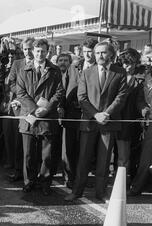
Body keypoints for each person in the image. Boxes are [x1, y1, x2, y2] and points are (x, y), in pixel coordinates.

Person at [65, 41, 129, 202]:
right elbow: (82, 98)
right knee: (83, 158)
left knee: (104, 160)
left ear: (111, 54)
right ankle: (77, 191)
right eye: (98, 53)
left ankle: (101, 193)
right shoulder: (86, 73)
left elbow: (121, 97)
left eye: (104, 52)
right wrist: (95, 115)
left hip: (109, 122)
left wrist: (106, 113)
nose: (100, 56)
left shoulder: (120, 72)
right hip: (89, 122)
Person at [16, 38, 65, 196]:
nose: (40, 54)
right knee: (28, 154)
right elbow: (20, 93)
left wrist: (46, 108)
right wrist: (34, 109)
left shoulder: (55, 70)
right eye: (37, 51)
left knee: (47, 155)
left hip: (47, 117)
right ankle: (29, 181)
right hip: (29, 117)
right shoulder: (24, 70)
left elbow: (59, 92)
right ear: (32, 51)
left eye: (43, 51)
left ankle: (45, 182)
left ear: (47, 52)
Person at [5, 37, 35, 182]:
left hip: (38, 105)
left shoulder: (40, 63)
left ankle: (33, 172)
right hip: (20, 106)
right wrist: (20, 96)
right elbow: (10, 82)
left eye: (30, 48)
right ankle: (18, 170)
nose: (28, 52)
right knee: (19, 140)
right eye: (25, 49)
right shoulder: (17, 64)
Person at [114, 49, 145, 182]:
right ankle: (120, 181)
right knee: (121, 154)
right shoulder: (117, 76)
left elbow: (141, 100)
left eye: (132, 63)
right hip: (118, 118)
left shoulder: (142, 77)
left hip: (135, 120)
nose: (129, 66)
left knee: (133, 152)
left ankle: (128, 179)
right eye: (125, 63)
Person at [128, 65, 152, 196]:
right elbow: (140, 101)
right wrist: (144, 109)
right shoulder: (144, 84)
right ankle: (137, 187)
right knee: (146, 158)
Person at [57, 53, 80, 189]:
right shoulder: (54, 74)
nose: (63, 63)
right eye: (60, 60)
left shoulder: (74, 75)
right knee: (54, 147)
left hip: (69, 115)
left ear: (70, 62)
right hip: (53, 114)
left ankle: (68, 177)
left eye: (66, 60)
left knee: (68, 149)